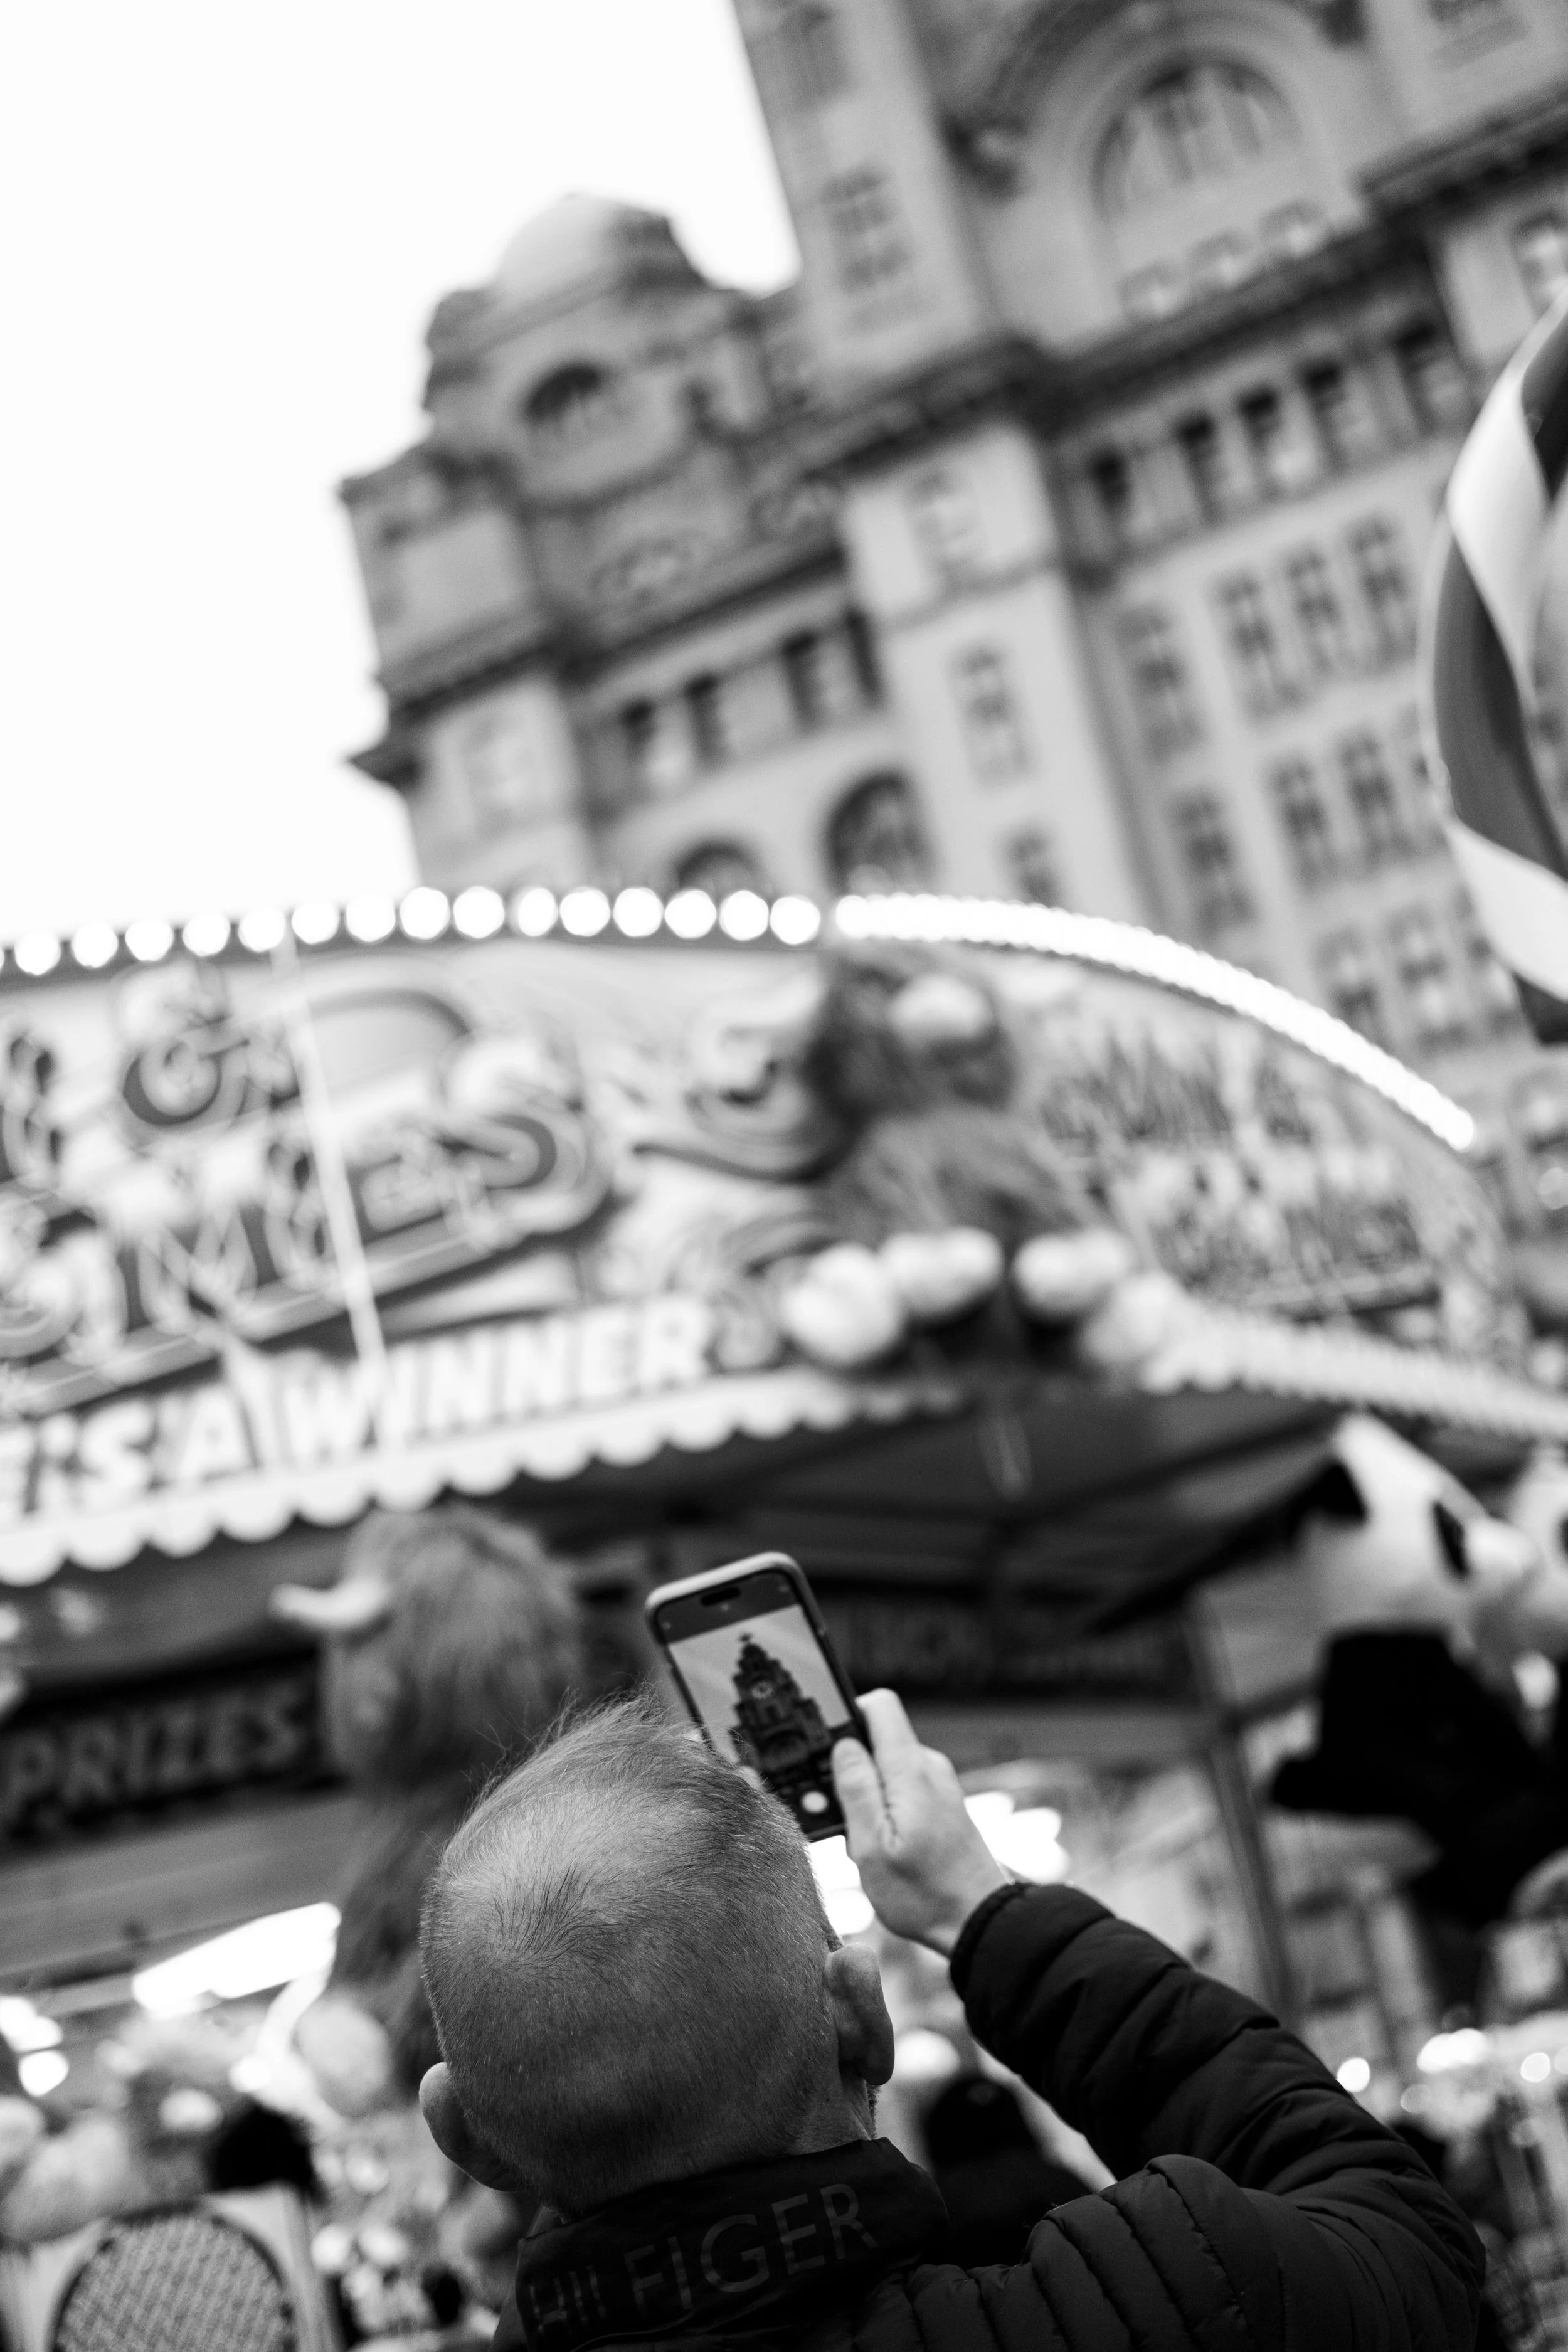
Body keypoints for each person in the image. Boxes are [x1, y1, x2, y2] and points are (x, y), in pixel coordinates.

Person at [419, 1688, 1482, 2349]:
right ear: (862, 2022)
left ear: (464, 2135)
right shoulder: (1163, 2296)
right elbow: (1405, 2230)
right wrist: (986, 1912)